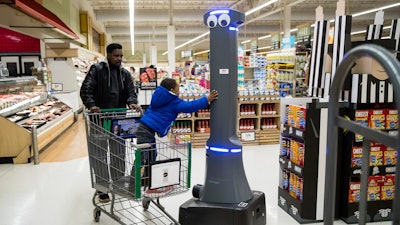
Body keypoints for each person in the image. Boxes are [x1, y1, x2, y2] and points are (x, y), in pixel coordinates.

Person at [133, 78, 218, 197]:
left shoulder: (158, 95)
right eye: (178, 88)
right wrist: (207, 99)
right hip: (147, 131)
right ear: (172, 90)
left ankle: (147, 180)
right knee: (141, 158)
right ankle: (133, 184)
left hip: (145, 128)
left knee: (151, 155)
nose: (179, 90)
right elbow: (190, 106)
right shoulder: (174, 102)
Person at [80, 43, 141, 203]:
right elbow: (86, 89)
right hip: (99, 119)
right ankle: (102, 188)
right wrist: (91, 105)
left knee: (118, 153)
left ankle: (119, 182)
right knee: (99, 155)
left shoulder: (124, 73)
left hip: (119, 120)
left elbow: (130, 91)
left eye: (121, 55)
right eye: (116, 55)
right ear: (108, 54)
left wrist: (132, 102)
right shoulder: (97, 70)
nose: (119, 58)